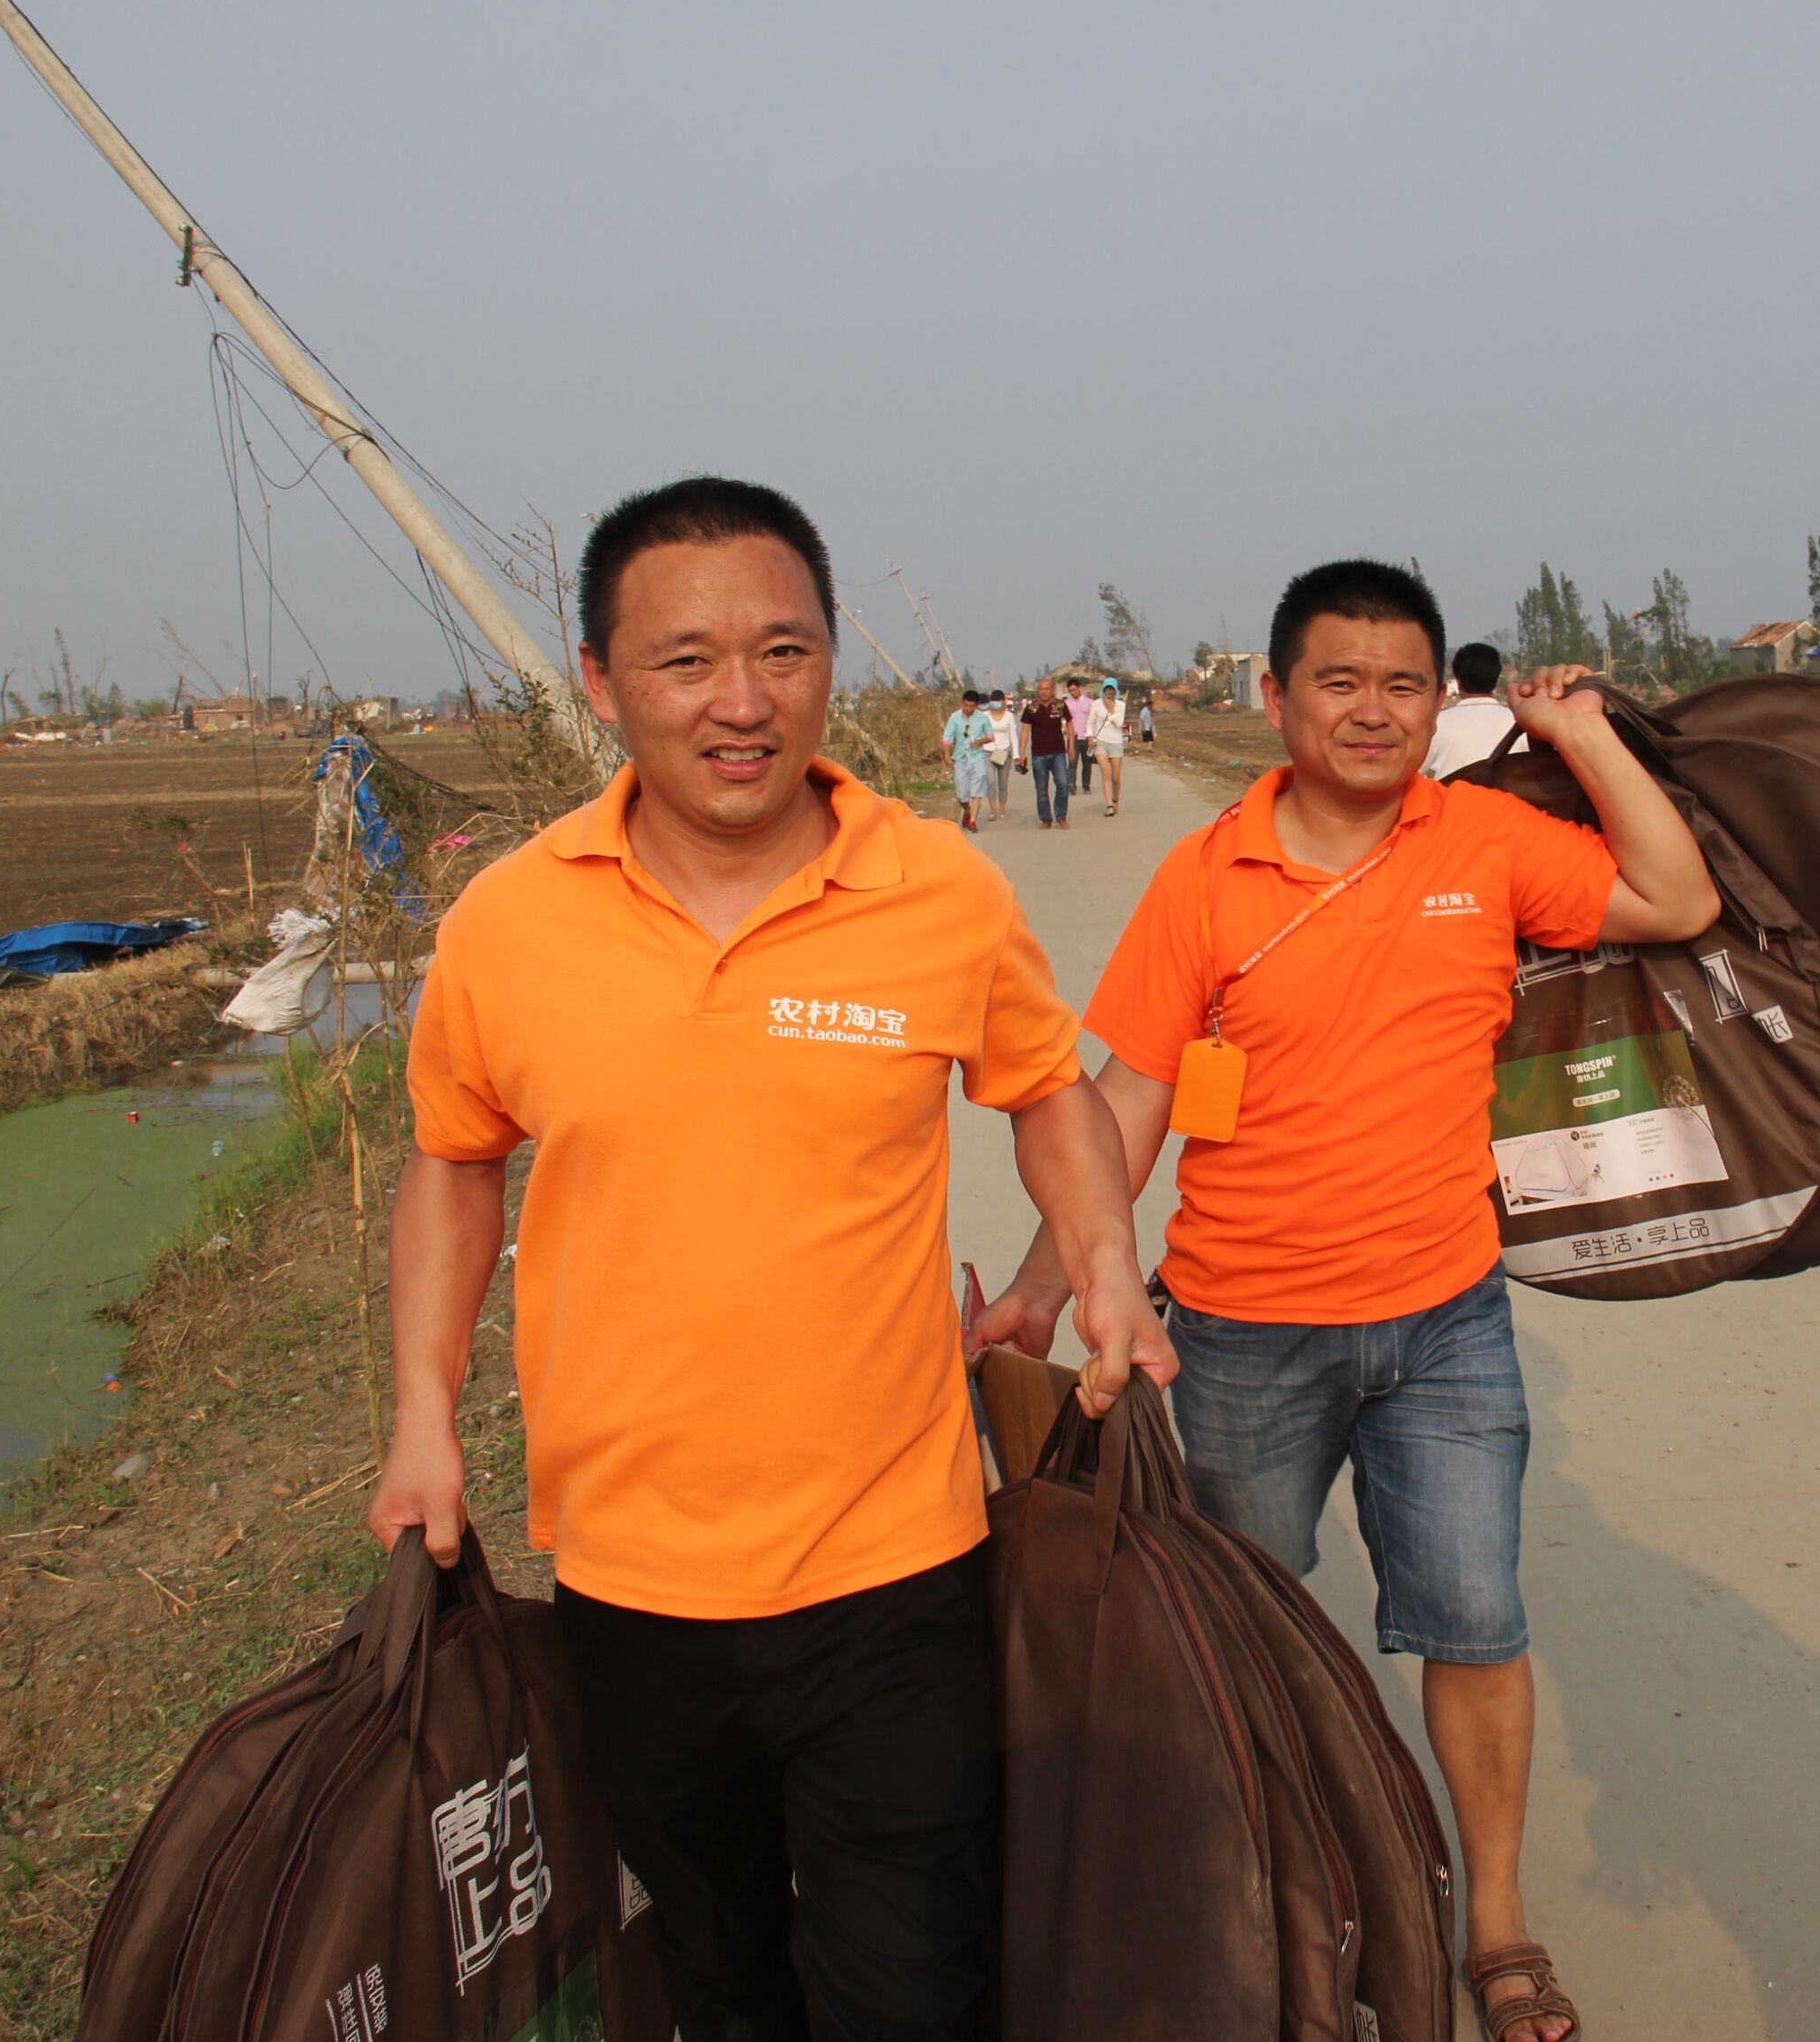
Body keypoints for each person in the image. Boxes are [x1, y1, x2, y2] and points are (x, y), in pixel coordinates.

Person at [368, 476, 1174, 2042]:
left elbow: (1045, 1093)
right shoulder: (509, 921)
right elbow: (454, 1160)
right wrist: (418, 1418)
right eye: (684, 661)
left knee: (907, 1977)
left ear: (827, 664)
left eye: (783, 651)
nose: (742, 702)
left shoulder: (938, 890)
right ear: (599, 682)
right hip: (627, 1574)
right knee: (723, 1973)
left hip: (898, 1562)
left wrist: (1105, 1265)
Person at [972, 559, 1719, 2042]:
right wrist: (1051, 1280)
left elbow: (1672, 894)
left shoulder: (1491, 842)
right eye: (1338, 679)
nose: (1372, 710)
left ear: (1434, 699)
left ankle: (1493, 1919)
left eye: (1401, 683)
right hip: (1240, 1332)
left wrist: (1580, 735)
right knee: (1245, 1628)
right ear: (1274, 697)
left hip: (1446, 1323)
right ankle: (1295, 1892)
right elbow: (1129, 1098)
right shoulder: (1207, 876)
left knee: (1476, 1622)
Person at [1427, 641, 1521, 780]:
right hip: (1510, 799)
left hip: (1452, 800)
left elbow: (1418, 771)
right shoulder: (1520, 723)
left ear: (1458, 682)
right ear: (1495, 680)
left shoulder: (1436, 724)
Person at [940, 686, 994, 832]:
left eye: (971, 706)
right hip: (961, 758)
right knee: (962, 794)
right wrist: (946, 755)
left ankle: (972, 822)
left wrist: (979, 742)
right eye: (966, 705)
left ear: (976, 706)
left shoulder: (982, 718)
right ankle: (967, 810)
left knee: (976, 791)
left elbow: (990, 736)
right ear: (962, 703)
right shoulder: (954, 717)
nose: (968, 708)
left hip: (977, 757)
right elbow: (947, 738)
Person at [1022, 681, 1074, 829]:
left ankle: (1061, 815)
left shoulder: (1060, 705)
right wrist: (1021, 753)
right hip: (1039, 753)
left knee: (1063, 783)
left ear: (1052, 691)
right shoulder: (1031, 707)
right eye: (1041, 689)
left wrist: (1071, 746)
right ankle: (1045, 818)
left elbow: (1069, 723)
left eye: (1047, 689)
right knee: (1041, 787)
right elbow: (1025, 729)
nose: (1043, 692)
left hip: (1058, 752)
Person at [1089, 677, 1130, 816]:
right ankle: (1109, 806)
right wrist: (1090, 737)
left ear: (1115, 691)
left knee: (1115, 778)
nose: (1109, 692)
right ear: (1103, 689)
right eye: (1107, 689)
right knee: (1105, 774)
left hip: (1116, 742)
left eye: (1112, 689)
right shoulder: (1096, 704)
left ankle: (1115, 799)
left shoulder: (1120, 705)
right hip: (1100, 741)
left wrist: (1110, 709)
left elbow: (1119, 723)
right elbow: (1090, 722)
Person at [982, 686, 1016, 822]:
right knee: (991, 782)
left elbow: (1013, 735)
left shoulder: (1009, 716)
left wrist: (1016, 755)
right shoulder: (984, 716)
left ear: (1003, 701)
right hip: (987, 752)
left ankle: (1002, 810)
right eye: (993, 700)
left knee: (1003, 784)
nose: (996, 703)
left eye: (998, 700)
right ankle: (992, 810)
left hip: (1004, 752)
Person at [1064, 675, 1097, 798]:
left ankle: (1086, 785)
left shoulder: (1090, 703)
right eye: (1070, 691)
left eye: (1074, 690)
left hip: (1087, 736)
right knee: (1072, 762)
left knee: (1087, 763)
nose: (1072, 692)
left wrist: (1093, 737)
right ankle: (1071, 783)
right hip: (1073, 737)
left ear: (1079, 688)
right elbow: (1064, 720)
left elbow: (1094, 720)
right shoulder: (1066, 704)